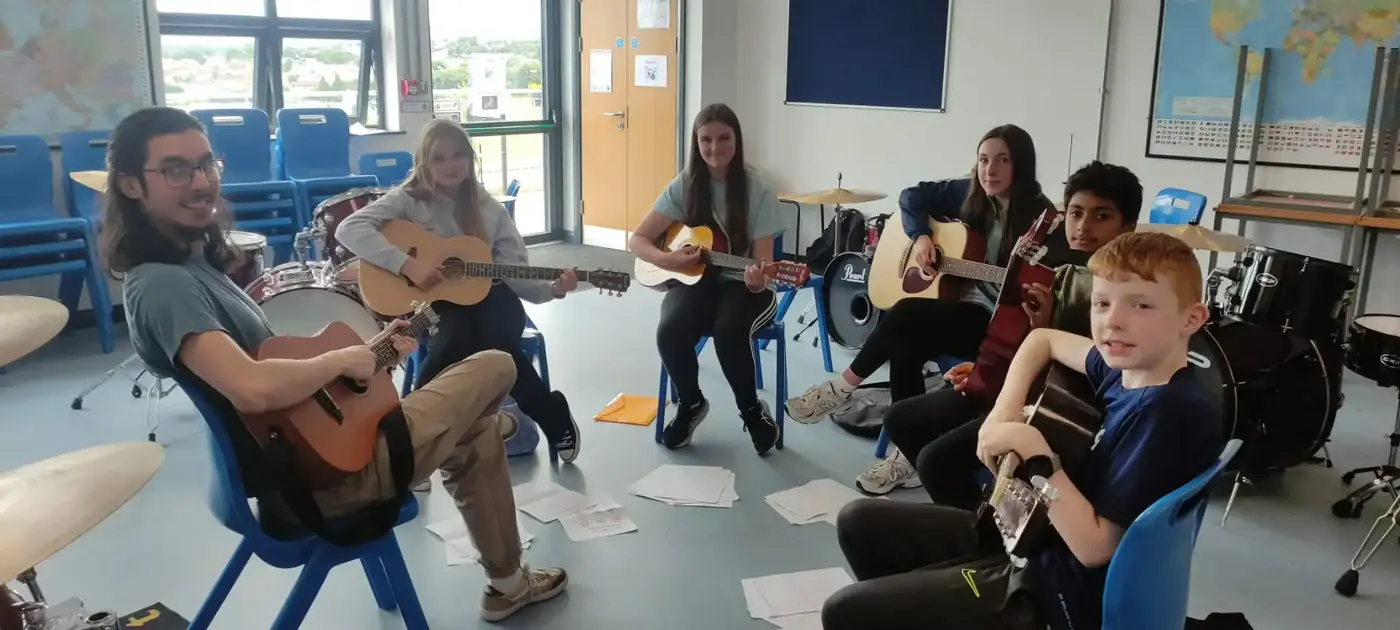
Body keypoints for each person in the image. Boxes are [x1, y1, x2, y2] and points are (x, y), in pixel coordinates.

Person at [106, 107, 568, 621]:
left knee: (474, 434)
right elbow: (252, 389)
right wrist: (345, 358)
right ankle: (493, 425)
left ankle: (507, 583)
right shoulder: (163, 285)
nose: (200, 181)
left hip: (319, 455)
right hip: (328, 483)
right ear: (130, 186)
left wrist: (373, 354)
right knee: (496, 365)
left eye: (206, 164)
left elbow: (277, 382)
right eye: (176, 169)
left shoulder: (189, 267)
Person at [820, 231, 1223, 630]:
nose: (1113, 321)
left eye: (1141, 305)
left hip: (1057, 595)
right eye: (1102, 303)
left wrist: (1033, 451)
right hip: (1037, 541)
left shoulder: (1164, 413)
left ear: (1192, 319)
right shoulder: (1129, 370)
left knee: (847, 611)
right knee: (858, 521)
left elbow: (1095, 548)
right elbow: (1042, 339)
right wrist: (1002, 414)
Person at [857, 161, 1143, 496]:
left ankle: (984, 520)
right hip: (1020, 383)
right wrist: (989, 368)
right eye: (1076, 213)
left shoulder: (1128, 291)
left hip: (1059, 408)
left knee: (935, 461)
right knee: (899, 417)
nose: (1083, 227)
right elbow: (1033, 343)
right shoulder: (1062, 270)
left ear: (1128, 228)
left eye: (1101, 216)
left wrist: (1026, 358)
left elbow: (1097, 373)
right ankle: (978, 505)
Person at [785, 124, 1086, 422]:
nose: (989, 170)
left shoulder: (1042, 220)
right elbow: (911, 196)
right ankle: (907, 436)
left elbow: (1057, 282)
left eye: (1002, 160)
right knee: (905, 343)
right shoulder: (972, 192)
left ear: (1021, 164)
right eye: (983, 159)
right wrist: (920, 237)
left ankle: (840, 389)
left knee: (904, 316)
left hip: (996, 323)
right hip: (960, 304)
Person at [336, 119, 582, 464]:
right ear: (424, 162)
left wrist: (553, 288)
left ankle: (550, 416)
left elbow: (515, 269)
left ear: (470, 158)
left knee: (497, 344)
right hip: (438, 301)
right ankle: (410, 439)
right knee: (451, 343)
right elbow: (349, 228)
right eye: (439, 158)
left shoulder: (488, 208)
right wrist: (407, 264)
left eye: (458, 156)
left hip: (495, 297)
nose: (450, 165)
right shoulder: (408, 199)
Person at [628, 103, 788, 453]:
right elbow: (637, 240)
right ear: (696, 143)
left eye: (724, 138)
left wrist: (758, 279)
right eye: (706, 140)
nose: (715, 147)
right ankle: (691, 404)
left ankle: (752, 412)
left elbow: (763, 263)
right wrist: (668, 260)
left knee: (729, 331)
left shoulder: (758, 189)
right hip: (695, 281)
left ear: (737, 140)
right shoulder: (685, 184)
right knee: (669, 330)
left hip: (744, 286)